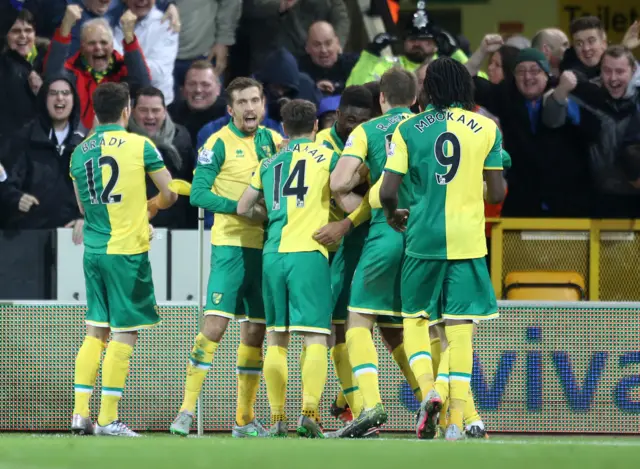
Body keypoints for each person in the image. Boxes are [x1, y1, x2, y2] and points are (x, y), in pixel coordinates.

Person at [379, 57, 506, 441]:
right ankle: (454, 419)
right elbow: (498, 192)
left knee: (416, 319)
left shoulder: (407, 128)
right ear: (466, 88)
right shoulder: (487, 128)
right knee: (461, 328)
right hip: (467, 240)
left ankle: (428, 387)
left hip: (422, 236)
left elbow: (387, 190)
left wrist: (391, 213)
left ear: (427, 89)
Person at [236, 99, 362, 438]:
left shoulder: (268, 161)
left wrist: (273, 213)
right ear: (317, 127)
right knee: (316, 336)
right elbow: (344, 195)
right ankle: (308, 414)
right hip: (309, 253)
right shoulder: (329, 158)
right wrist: (357, 217)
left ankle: (277, 419)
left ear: (282, 128)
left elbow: (243, 205)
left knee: (277, 337)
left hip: (273, 254)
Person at [169, 77, 282, 438]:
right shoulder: (216, 144)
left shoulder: (275, 142)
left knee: (255, 331)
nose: (250, 108)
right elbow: (199, 194)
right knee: (215, 327)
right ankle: (186, 411)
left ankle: (244, 420)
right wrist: (240, 208)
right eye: (243, 103)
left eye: (255, 100)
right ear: (230, 110)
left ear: (263, 104)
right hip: (230, 245)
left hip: (266, 249)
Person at [69, 82, 177, 437]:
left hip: (94, 252)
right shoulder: (140, 145)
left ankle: (80, 414)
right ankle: (107, 419)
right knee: (124, 333)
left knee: (95, 330)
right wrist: (151, 207)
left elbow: (83, 208)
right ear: (127, 110)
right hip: (126, 252)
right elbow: (170, 192)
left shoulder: (80, 151)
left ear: (93, 111)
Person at [325, 67, 420, 438]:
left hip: (376, 238)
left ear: (381, 99)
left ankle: (367, 406)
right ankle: (441, 404)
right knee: (418, 326)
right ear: (414, 99)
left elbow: (338, 182)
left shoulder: (369, 132)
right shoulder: (427, 126)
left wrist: (350, 198)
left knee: (353, 324)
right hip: (425, 238)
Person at [313, 85, 372, 424]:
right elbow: (341, 194)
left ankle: (345, 399)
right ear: (338, 115)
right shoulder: (324, 145)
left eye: (363, 121)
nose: (356, 126)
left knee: (355, 327)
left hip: (353, 243)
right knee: (332, 329)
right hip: (324, 247)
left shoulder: (366, 139)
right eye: (350, 119)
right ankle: (346, 406)